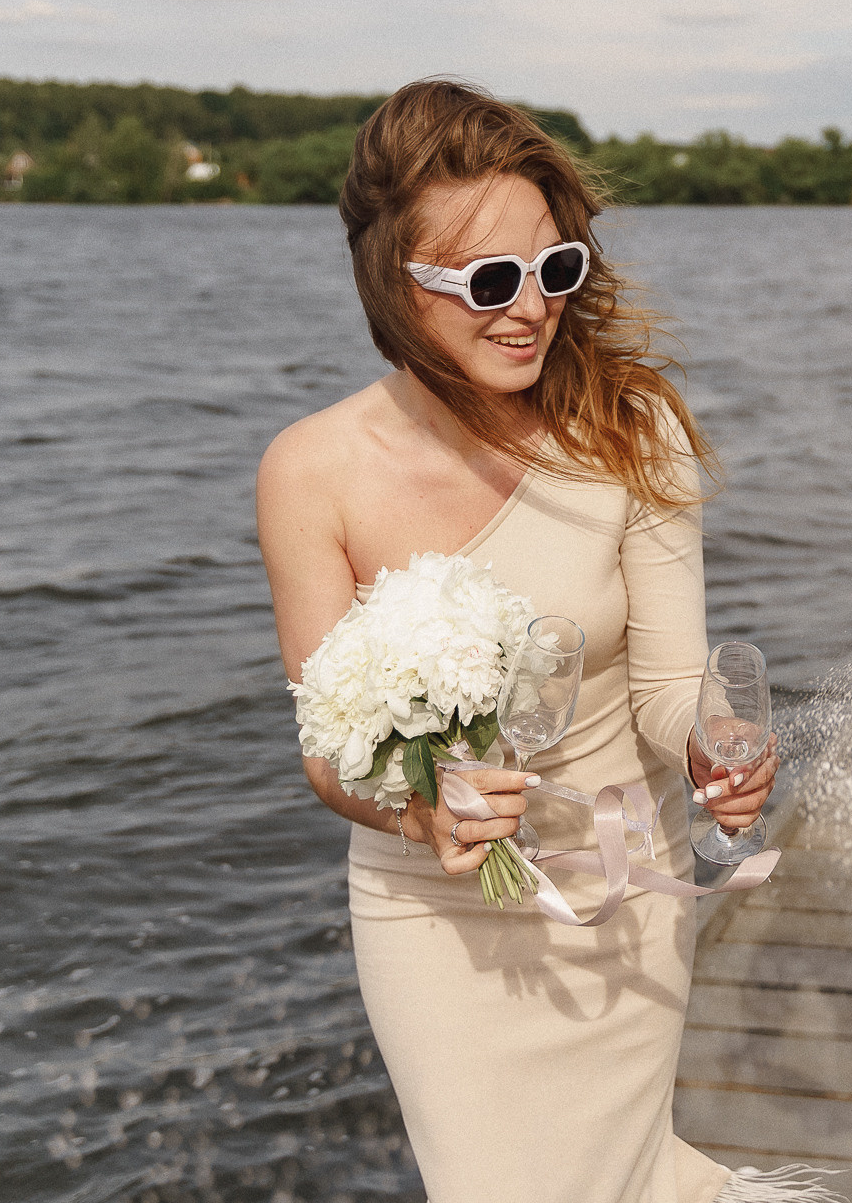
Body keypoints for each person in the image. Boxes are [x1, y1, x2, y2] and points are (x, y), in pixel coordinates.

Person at [257, 81, 792, 1203]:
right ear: (395, 288)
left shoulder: (628, 427)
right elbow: (325, 752)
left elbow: (668, 686)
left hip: (618, 887)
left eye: (556, 271)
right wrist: (418, 805)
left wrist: (713, 738)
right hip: (432, 917)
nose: (530, 309)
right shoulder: (312, 471)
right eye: (490, 281)